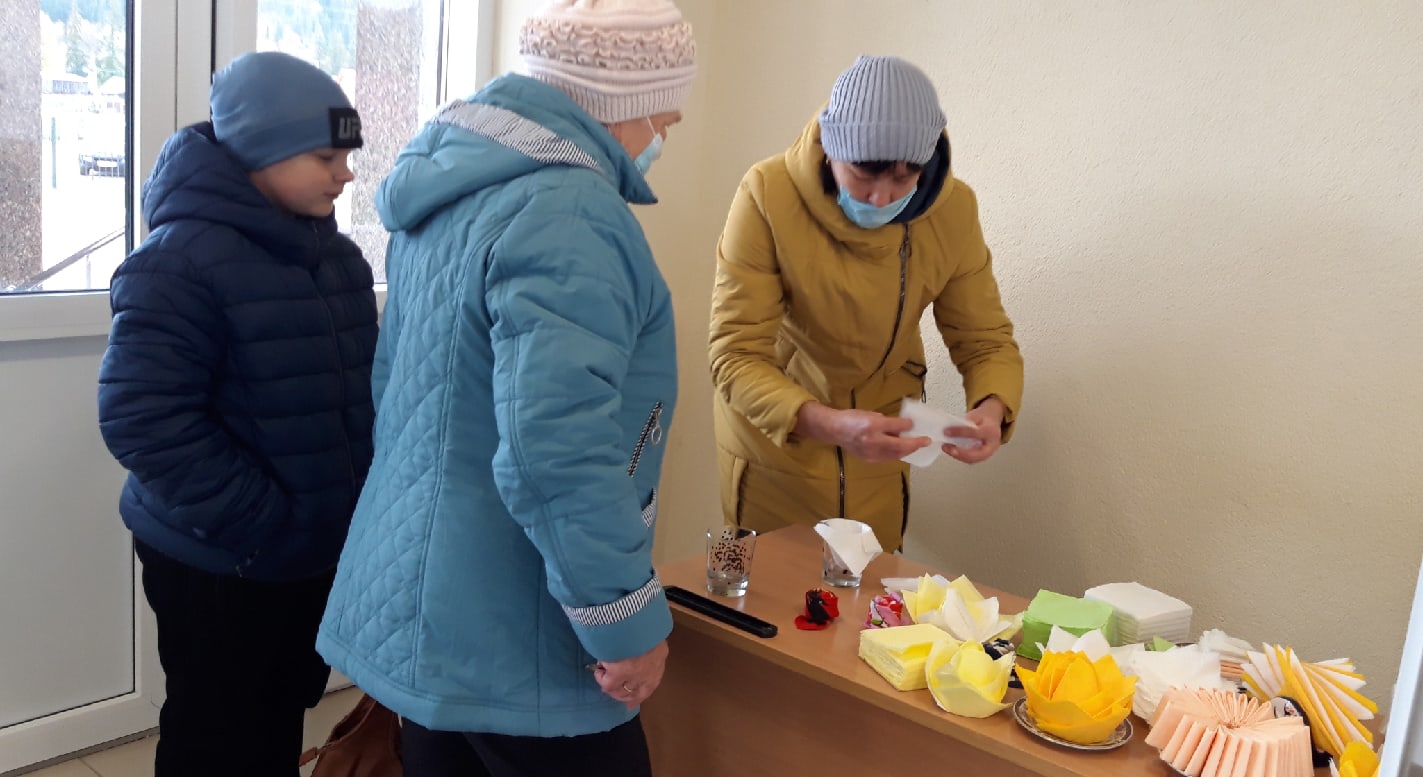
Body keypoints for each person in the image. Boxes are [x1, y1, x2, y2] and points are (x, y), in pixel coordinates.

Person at [314, 1, 695, 775]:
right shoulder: (570, 212)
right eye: (663, 116)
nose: (664, 135)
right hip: (512, 616)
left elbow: (399, 392)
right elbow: (558, 447)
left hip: (426, 596)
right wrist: (624, 621)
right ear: (619, 103)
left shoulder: (454, 187)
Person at [96, 52, 377, 777]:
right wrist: (264, 523)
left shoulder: (338, 262)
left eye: (347, 156)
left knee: (275, 717)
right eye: (325, 157)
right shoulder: (177, 262)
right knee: (215, 736)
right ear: (259, 150)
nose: (345, 174)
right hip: (222, 559)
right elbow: (140, 417)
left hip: (305, 556)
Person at [710, 55, 1025, 553]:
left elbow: (985, 340)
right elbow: (734, 356)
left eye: (904, 177)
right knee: (770, 596)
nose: (881, 197)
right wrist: (833, 425)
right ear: (830, 150)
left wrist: (992, 407)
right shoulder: (766, 193)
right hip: (777, 450)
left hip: (879, 457)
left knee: (872, 598)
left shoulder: (954, 211)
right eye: (863, 173)